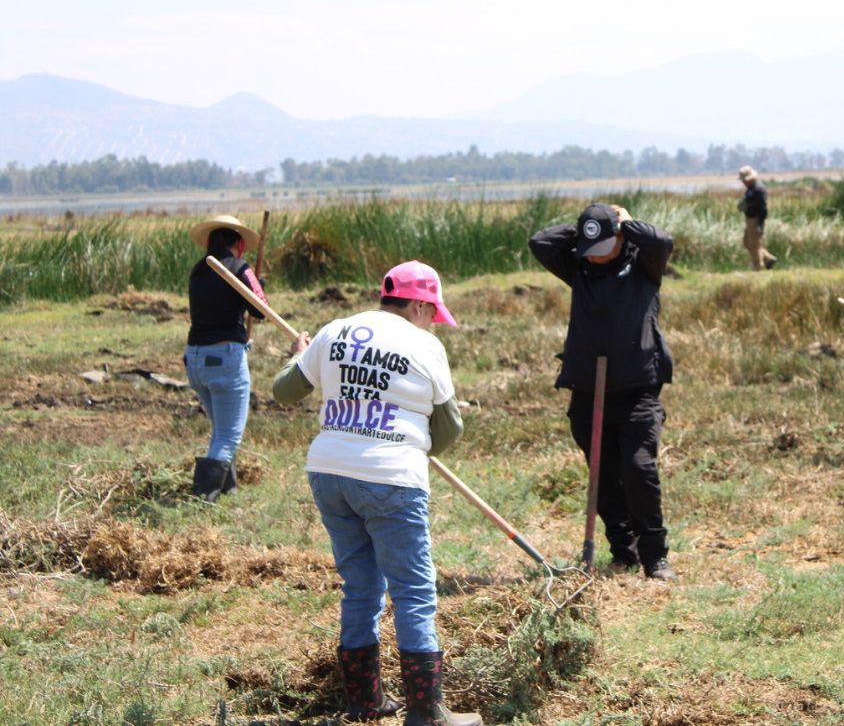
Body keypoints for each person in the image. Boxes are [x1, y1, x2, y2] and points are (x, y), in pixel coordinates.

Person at [271, 261, 480, 726]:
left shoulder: (335, 330)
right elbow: (450, 428)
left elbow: (285, 391)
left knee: (361, 587)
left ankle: (365, 702)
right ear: (420, 305)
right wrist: (416, 447)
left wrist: (298, 354)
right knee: (413, 590)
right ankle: (427, 712)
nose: (433, 322)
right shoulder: (425, 344)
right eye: (433, 312)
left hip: (329, 473)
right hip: (391, 477)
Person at [529, 203, 678, 581]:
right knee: (604, 475)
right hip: (587, 389)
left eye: (604, 247)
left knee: (638, 467)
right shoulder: (578, 266)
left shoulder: (645, 263)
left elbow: (662, 238)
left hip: (638, 389)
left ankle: (655, 556)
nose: (596, 259)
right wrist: (588, 230)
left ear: (621, 237)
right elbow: (540, 241)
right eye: (589, 252)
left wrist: (623, 222)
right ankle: (623, 552)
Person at [185, 214, 267, 502]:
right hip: (225, 359)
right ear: (239, 244)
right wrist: (260, 285)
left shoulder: (198, 270)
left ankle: (227, 490)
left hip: (195, 359)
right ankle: (203, 500)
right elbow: (261, 310)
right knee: (229, 436)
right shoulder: (238, 268)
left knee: (220, 431)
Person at [737, 165, 777, 271]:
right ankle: (768, 259)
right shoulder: (751, 188)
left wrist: (760, 224)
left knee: (753, 245)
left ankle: (758, 267)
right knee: (747, 243)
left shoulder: (758, 189)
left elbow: (763, 208)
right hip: (750, 219)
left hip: (755, 220)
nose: (743, 182)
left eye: (744, 180)